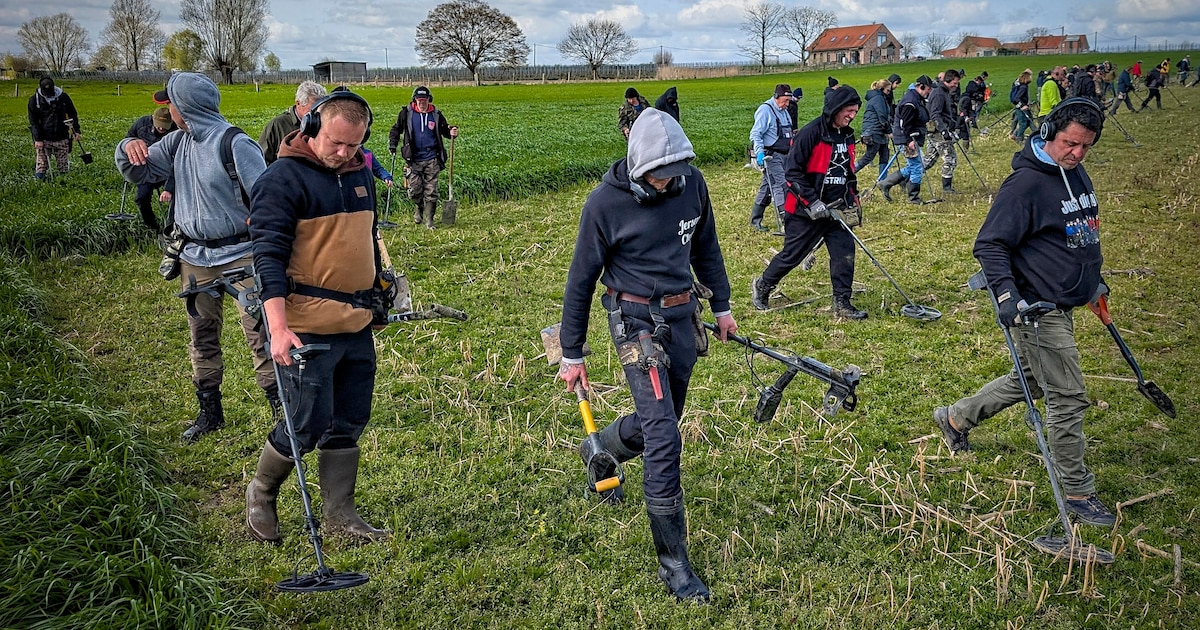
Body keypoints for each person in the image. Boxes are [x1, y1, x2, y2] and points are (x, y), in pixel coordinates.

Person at [557, 107, 737, 603]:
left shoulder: (692, 184)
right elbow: (580, 281)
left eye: (675, 173)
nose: (668, 183)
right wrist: (573, 352)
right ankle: (674, 565)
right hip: (635, 324)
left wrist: (721, 306)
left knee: (665, 417)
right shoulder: (603, 206)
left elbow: (708, 248)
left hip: (683, 318)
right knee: (664, 437)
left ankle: (605, 447)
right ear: (638, 167)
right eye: (659, 176)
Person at [935, 98, 1114, 527]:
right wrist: (1006, 297)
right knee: (1067, 396)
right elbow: (990, 245)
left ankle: (956, 418)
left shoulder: (1075, 173)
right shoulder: (1025, 186)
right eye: (1070, 143)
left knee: (1031, 379)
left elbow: (1080, 233)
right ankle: (1077, 490)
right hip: (1036, 306)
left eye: (1086, 147)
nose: (1077, 153)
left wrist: (1092, 283)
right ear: (1050, 132)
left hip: (1068, 298)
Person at [245, 89, 391, 544]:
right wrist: (278, 327)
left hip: (356, 323)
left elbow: (365, 240)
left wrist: (381, 292)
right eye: (336, 143)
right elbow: (266, 257)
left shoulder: (359, 174)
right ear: (311, 127)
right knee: (307, 420)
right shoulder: (282, 180)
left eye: (355, 145)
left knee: (349, 418)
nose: (345, 154)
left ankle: (341, 515)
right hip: (306, 326)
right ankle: (261, 492)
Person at [115, 72, 276, 443]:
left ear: (185, 107)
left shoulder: (237, 144)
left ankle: (279, 409)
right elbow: (135, 170)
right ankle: (210, 413)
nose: (167, 110)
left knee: (262, 334)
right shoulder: (176, 142)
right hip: (194, 258)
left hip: (243, 256)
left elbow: (269, 201)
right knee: (201, 336)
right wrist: (127, 147)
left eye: (170, 103)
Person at [750, 86, 867, 320]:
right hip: (805, 211)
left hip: (836, 208)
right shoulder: (811, 133)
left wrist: (853, 201)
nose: (852, 116)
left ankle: (842, 302)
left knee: (844, 253)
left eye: (855, 111)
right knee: (792, 255)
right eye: (849, 111)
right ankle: (763, 285)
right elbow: (792, 172)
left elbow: (847, 172)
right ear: (836, 108)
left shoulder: (847, 135)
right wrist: (812, 202)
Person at [387, 85, 458, 228]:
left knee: (431, 190)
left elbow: (445, 130)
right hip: (413, 159)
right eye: (419, 100)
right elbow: (396, 129)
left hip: (432, 157)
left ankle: (429, 220)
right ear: (415, 100)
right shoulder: (406, 114)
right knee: (414, 191)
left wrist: (452, 132)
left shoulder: (436, 115)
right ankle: (419, 207)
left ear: (429, 100)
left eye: (424, 100)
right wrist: (393, 144)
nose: (422, 103)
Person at [748, 84, 796, 232]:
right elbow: (756, 134)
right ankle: (786, 223)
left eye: (789, 101)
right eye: (785, 100)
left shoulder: (784, 111)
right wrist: (759, 153)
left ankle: (755, 221)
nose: (787, 104)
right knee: (781, 186)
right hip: (771, 156)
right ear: (776, 97)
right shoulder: (765, 110)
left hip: (785, 155)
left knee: (767, 188)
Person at [880, 75, 933, 204]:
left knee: (916, 165)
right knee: (916, 166)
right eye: (928, 89)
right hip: (906, 139)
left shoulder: (916, 98)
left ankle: (886, 183)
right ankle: (913, 197)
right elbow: (905, 124)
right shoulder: (910, 101)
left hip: (910, 137)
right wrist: (909, 140)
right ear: (921, 87)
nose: (929, 92)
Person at [123, 106, 177, 231]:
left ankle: (173, 227)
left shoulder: (176, 132)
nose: (161, 128)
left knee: (179, 195)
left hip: (168, 171)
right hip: (146, 170)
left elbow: (178, 162)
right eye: (159, 124)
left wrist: (169, 188)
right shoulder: (142, 124)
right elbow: (128, 139)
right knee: (142, 197)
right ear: (152, 119)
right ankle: (152, 227)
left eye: (165, 125)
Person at [258, 80, 327, 165]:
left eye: (320, 110)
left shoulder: (325, 124)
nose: (317, 115)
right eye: (312, 110)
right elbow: (260, 160)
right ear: (298, 103)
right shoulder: (277, 125)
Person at [28, 76, 81, 181]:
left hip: (62, 136)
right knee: (42, 163)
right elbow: (33, 121)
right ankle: (39, 180)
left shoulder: (63, 97)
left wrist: (76, 131)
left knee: (63, 163)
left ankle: (64, 181)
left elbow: (72, 115)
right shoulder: (34, 100)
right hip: (43, 138)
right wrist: (38, 139)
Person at [923, 69, 961, 194]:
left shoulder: (943, 91)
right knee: (950, 158)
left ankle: (901, 178)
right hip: (938, 132)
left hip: (935, 131)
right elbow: (935, 115)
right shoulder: (939, 93)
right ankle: (947, 188)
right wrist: (944, 131)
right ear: (947, 80)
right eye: (954, 83)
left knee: (928, 160)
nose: (956, 86)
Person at [854, 79, 892, 175]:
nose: (889, 93)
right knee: (869, 156)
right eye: (888, 90)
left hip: (878, 131)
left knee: (885, 154)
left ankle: (883, 180)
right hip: (873, 132)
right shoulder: (878, 98)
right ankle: (849, 172)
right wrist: (889, 131)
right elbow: (882, 116)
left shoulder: (879, 97)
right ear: (882, 89)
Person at [1009, 70, 1034, 143]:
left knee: (1028, 121)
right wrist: (1023, 105)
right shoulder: (1023, 87)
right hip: (1021, 108)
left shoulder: (1022, 86)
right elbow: (1017, 98)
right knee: (1023, 123)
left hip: (1020, 107)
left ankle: (1015, 134)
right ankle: (1018, 138)